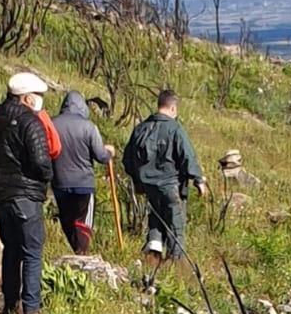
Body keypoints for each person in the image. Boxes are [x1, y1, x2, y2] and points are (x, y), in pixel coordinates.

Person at [0, 72, 52, 314]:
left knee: (11, 248)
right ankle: (31, 309)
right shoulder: (29, 122)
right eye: (38, 95)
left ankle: (10, 305)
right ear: (27, 98)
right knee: (32, 251)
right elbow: (42, 162)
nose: (40, 100)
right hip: (26, 195)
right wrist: (45, 177)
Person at [122, 89, 206, 263]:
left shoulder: (141, 128)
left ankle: (152, 259)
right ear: (173, 108)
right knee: (175, 225)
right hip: (170, 186)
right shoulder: (175, 129)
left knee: (155, 221)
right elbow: (187, 156)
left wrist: (138, 182)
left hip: (149, 188)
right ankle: (176, 265)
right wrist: (199, 180)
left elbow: (127, 158)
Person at [51, 90, 116, 254]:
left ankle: (76, 254)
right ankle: (82, 255)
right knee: (83, 223)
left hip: (59, 182)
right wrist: (109, 152)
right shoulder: (89, 127)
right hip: (83, 184)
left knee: (67, 220)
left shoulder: (52, 124)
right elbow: (101, 156)